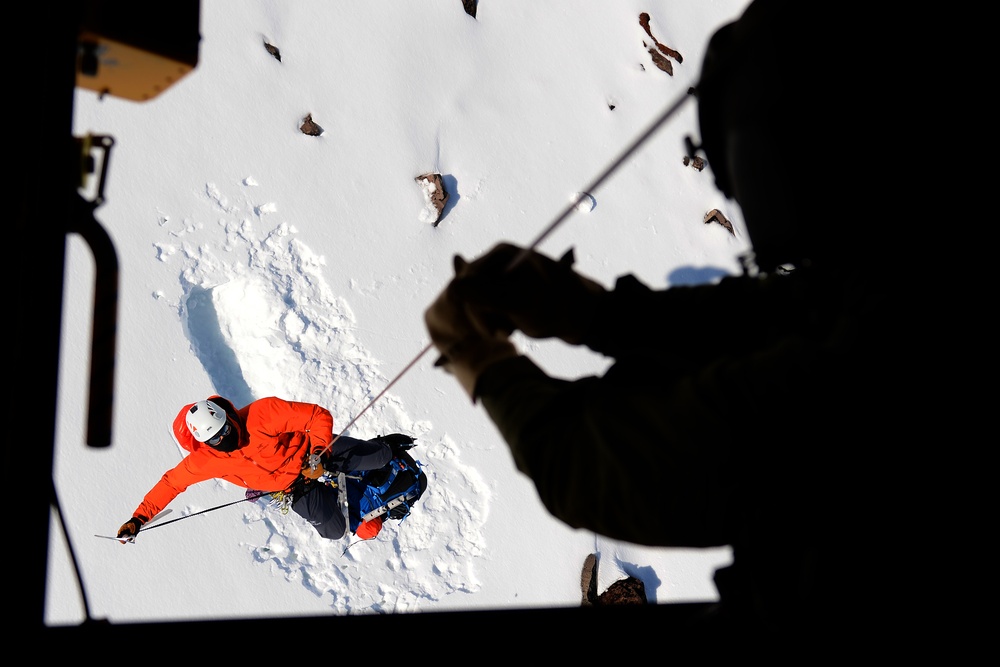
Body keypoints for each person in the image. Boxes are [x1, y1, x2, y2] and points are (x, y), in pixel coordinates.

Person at [424, 0, 908, 639]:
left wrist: (483, 362)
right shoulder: (869, 284)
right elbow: (765, 321)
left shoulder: (875, 355)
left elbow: (604, 468)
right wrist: (593, 313)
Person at [116, 395, 413, 543]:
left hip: (312, 452)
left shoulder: (262, 414)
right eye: (215, 439)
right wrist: (139, 518)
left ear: (227, 416)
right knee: (335, 531)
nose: (225, 438)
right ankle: (357, 500)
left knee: (379, 458)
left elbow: (316, 416)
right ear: (203, 443)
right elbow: (171, 483)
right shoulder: (205, 460)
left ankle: (383, 447)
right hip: (294, 487)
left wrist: (319, 454)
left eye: (225, 429)